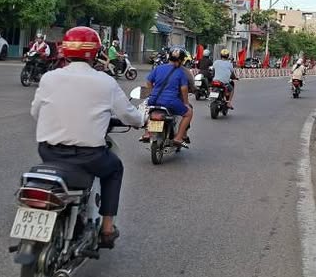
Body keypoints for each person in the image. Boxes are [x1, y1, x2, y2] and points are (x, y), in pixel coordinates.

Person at [30, 26, 145, 249]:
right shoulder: (105, 82)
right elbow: (128, 114)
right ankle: (107, 228)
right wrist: (141, 120)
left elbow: (36, 112)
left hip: (48, 151)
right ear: (95, 52)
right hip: (89, 156)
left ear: (65, 49)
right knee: (114, 168)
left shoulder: (49, 78)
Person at [140, 48, 193, 146]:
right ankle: (178, 137)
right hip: (170, 101)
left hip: (153, 100)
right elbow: (184, 89)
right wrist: (185, 103)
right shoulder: (181, 72)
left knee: (147, 110)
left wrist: (152, 92)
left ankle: (148, 133)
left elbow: (148, 82)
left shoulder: (158, 68)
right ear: (181, 60)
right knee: (188, 113)